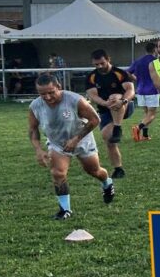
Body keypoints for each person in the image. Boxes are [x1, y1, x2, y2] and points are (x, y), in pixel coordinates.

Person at [28, 74, 115, 220]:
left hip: (82, 139)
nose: (47, 97)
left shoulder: (75, 100)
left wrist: (76, 139)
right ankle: (65, 210)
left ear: (59, 88)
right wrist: (38, 149)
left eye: (51, 92)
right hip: (57, 143)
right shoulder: (35, 106)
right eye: (43, 94)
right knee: (58, 173)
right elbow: (32, 129)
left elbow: (95, 120)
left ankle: (107, 183)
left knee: (94, 171)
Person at [85, 49, 136, 179]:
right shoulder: (92, 77)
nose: (99, 67)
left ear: (108, 59)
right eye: (96, 65)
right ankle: (118, 169)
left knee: (114, 97)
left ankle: (118, 127)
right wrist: (104, 103)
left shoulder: (120, 73)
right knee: (108, 138)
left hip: (125, 106)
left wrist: (123, 101)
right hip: (105, 111)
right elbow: (92, 95)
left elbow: (130, 90)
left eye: (102, 63)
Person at [128, 41, 159, 142]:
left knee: (146, 114)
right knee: (152, 115)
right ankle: (138, 128)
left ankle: (145, 136)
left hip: (140, 90)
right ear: (155, 49)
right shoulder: (156, 61)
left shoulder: (138, 61)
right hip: (152, 90)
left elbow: (127, 72)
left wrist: (136, 78)